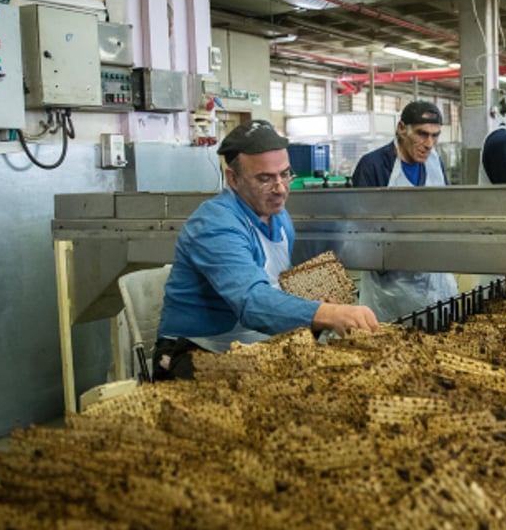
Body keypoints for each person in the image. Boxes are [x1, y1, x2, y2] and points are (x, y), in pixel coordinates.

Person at [155, 120, 379, 378]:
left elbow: (273, 284)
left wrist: (313, 306)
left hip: (255, 347)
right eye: (265, 179)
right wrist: (327, 314)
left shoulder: (279, 217)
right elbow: (251, 301)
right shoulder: (214, 225)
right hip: (197, 351)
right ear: (233, 179)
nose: (281, 190)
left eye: (285, 174)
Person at [352, 101, 458, 321]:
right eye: (422, 134)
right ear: (402, 128)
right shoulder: (373, 166)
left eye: (435, 136)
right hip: (392, 290)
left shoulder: (435, 163)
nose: (429, 144)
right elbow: (362, 232)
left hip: (436, 280)